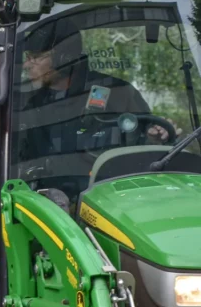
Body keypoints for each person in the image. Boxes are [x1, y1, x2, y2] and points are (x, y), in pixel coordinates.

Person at [14, 21, 172, 199]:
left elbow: (149, 155)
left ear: (64, 57)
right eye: (27, 57)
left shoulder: (117, 94)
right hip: (49, 212)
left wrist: (155, 138)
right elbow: (17, 163)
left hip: (111, 203)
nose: (27, 65)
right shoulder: (28, 106)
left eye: (35, 57)